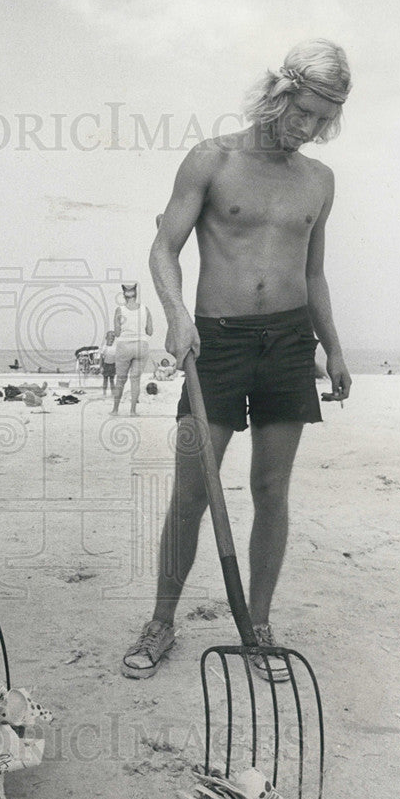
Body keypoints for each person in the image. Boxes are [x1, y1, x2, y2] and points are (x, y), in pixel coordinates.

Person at [122, 39, 352, 681]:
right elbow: (163, 248)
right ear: (278, 96)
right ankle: (161, 622)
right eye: (301, 112)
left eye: (320, 119)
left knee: (271, 489)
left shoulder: (319, 180)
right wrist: (176, 315)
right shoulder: (211, 159)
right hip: (215, 343)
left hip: (288, 343)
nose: (307, 129)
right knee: (192, 491)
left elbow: (314, 274)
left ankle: (257, 627)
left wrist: (332, 348)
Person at [111, 283, 153, 416]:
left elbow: (117, 333)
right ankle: (133, 411)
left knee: (120, 379)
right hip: (141, 345)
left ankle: (115, 410)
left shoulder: (119, 310)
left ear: (124, 294)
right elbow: (150, 331)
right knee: (135, 380)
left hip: (124, 345)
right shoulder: (145, 309)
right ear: (136, 293)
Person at [100, 331, 117, 396]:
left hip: (113, 365)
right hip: (106, 365)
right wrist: (101, 367)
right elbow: (101, 358)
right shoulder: (104, 347)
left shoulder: (115, 347)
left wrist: (117, 366)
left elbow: (117, 358)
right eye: (110, 338)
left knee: (112, 380)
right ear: (106, 338)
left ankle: (113, 393)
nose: (111, 340)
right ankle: (104, 393)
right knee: (105, 379)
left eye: (113, 338)